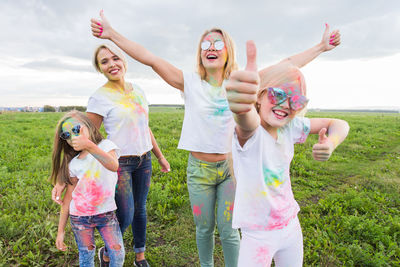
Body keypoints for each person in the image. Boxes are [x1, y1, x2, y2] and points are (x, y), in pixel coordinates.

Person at [90, 11, 341, 267]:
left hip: (232, 169)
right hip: (199, 170)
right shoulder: (189, 82)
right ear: (200, 53)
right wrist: (111, 34)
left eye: (218, 44)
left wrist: (321, 47)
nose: (211, 48)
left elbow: (287, 64)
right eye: (206, 45)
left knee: (230, 229)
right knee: (204, 229)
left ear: (228, 51)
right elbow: (151, 58)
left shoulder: (240, 82)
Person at [225, 41, 350, 267]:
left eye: (296, 99)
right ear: (260, 96)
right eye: (278, 94)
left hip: (290, 226)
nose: (286, 104)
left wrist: (330, 144)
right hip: (258, 235)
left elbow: (340, 123)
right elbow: (246, 121)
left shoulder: (290, 127)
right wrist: (241, 104)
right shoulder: (252, 134)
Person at [52, 43, 170, 267]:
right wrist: (62, 178)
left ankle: (140, 256)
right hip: (120, 162)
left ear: (124, 60)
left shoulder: (139, 91)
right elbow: (83, 139)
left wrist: (159, 156)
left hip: (144, 160)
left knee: (141, 210)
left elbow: (144, 127)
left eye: (115, 58)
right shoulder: (99, 98)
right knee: (125, 214)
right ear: (100, 68)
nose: (111, 64)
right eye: (104, 62)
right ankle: (107, 253)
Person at [51, 110, 125, 267]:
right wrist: (60, 231)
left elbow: (113, 165)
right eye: (66, 135)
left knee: (117, 255)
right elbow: (68, 198)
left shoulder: (106, 146)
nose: (73, 137)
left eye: (76, 129)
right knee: (86, 256)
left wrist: (90, 146)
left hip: (106, 214)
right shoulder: (74, 164)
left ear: (89, 126)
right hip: (80, 218)